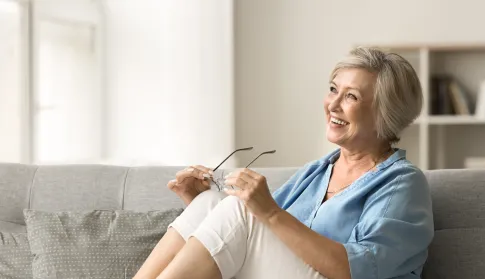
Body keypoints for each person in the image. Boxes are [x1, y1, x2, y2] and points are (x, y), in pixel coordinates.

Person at [134, 47, 435, 279]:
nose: (333, 104)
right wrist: (198, 205)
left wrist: (270, 212)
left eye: (351, 96)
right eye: (333, 89)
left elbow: (355, 269)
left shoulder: (402, 182)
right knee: (212, 202)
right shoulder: (317, 172)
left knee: (240, 208)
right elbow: (252, 239)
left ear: (386, 115)